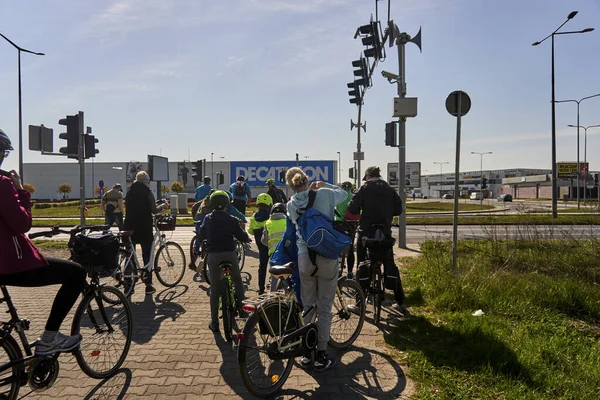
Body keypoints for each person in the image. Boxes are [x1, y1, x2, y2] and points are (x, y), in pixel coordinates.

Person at [0, 129, 87, 356]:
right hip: (8, 264)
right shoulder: (2, 184)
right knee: (75, 273)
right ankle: (50, 338)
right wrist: (21, 190)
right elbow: (22, 224)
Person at [285, 167, 347, 372]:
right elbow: (345, 195)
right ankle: (320, 354)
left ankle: (305, 352)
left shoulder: (290, 205)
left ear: (290, 185)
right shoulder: (324, 194)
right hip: (327, 254)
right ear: (307, 179)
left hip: (305, 257)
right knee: (325, 306)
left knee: (308, 305)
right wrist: (325, 185)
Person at [347, 166, 407, 313]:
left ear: (367, 176)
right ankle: (400, 301)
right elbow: (399, 210)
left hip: (366, 233)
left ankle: (359, 304)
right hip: (384, 232)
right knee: (389, 262)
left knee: (361, 263)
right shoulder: (389, 189)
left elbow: (353, 209)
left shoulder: (364, 188)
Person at [198, 190, 251, 333]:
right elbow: (242, 235)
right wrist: (246, 238)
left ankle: (214, 322)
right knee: (237, 279)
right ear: (228, 203)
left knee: (215, 288)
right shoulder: (232, 219)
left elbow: (202, 234)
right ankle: (241, 309)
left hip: (213, 256)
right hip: (230, 254)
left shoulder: (207, 219)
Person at [124, 170, 169, 295]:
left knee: (129, 256)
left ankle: (128, 285)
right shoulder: (147, 192)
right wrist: (163, 207)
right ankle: (148, 285)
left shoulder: (129, 192)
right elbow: (153, 210)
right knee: (147, 255)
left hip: (129, 226)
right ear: (146, 181)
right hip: (144, 227)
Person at [248, 193, 273, 294]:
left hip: (261, 247)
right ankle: (273, 286)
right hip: (271, 245)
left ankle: (261, 289)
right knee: (274, 265)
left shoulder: (254, 217)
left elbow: (250, 231)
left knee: (262, 266)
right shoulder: (271, 216)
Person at [261, 203, 288, 291]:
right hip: (287, 252)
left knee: (274, 277)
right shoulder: (288, 221)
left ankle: (272, 296)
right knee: (288, 275)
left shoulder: (267, 223)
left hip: (273, 254)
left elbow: (264, 241)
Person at [335, 181, 357, 278]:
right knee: (351, 248)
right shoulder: (353, 197)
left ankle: (336, 267)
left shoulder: (339, 197)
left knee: (335, 247)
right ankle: (350, 272)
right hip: (351, 224)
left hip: (339, 224)